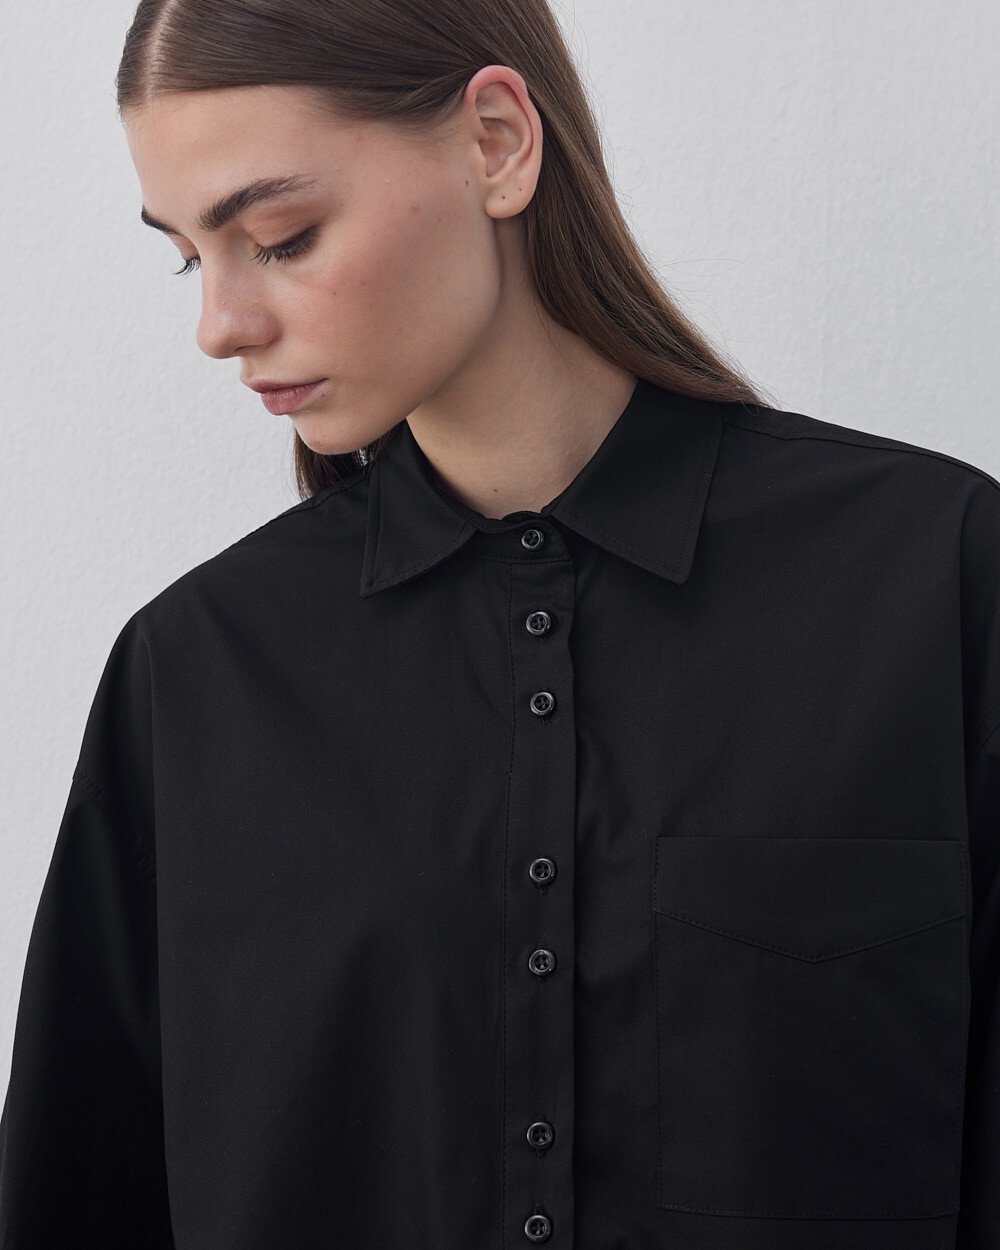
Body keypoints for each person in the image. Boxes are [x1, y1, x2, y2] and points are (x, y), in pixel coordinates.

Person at [1, 0, 997, 1247]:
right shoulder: (195, 676)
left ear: (496, 143)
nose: (220, 326)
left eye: (280, 236)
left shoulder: (930, 581)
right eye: (190, 258)